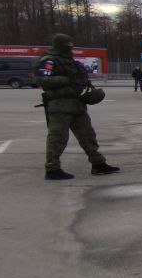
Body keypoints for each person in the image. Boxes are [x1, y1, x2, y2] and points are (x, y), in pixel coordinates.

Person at [36, 33, 120, 180]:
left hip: (77, 104)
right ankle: (52, 169)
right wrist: (67, 80)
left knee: (88, 136)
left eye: (70, 46)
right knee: (58, 138)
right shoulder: (49, 60)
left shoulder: (71, 61)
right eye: (66, 47)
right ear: (59, 46)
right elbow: (42, 79)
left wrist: (85, 85)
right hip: (60, 106)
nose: (69, 49)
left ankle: (98, 164)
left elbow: (80, 79)